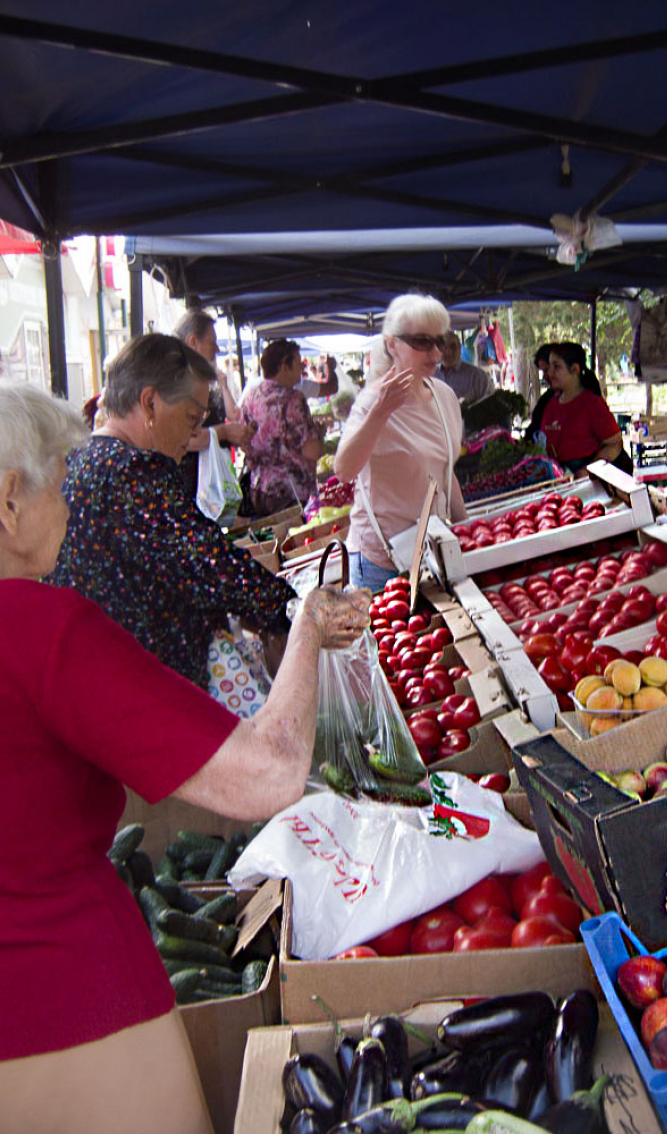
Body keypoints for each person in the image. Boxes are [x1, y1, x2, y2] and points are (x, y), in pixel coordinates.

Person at [0, 379, 370, 1134]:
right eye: (60, 488)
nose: (71, 510)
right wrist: (304, 628)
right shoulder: (40, 632)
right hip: (63, 989)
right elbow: (268, 776)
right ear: (9, 499)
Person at [51, 334, 298, 692]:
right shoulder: (133, 471)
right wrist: (291, 610)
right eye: (191, 418)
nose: (195, 434)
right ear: (150, 403)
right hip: (144, 688)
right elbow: (212, 566)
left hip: (101, 682)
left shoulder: (81, 458)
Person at [335, 293, 467, 592]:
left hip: (433, 550)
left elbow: (446, 472)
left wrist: (465, 530)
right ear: (392, 344)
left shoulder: (443, 396)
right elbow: (343, 470)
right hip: (382, 562)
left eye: (440, 342)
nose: (435, 354)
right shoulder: (373, 402)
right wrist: (381, 411)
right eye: (421, 342)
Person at [174, 310, 256, 497]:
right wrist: (225, 432)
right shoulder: (178, 384)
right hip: (193, 489)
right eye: (212, 343)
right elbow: (185, 440)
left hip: (210, 486)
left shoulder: (204, 379)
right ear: (193, 342)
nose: (217, 350)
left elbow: (226, 417)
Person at [241, 338, 325, 515]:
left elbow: (243, 441)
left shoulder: (250, 397)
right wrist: (319, 434)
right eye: (297, 363)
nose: (302, 369)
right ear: (284, 366)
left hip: (259, 489)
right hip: (291, 493)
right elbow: (312, 451)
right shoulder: (292, 399)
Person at [535, 341, 627, 475]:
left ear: (575, 369)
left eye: (557, 367)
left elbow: (614, 444)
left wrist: (587, 471)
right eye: (550, 367)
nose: (550, 372)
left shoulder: (592, 405)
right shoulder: (550, 406)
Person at [435, 332, 494, 402]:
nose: (449, 352)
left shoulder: (477, 377)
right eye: (444, 347)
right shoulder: (429, 376)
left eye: (453, 346)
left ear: (460, 348)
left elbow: (491, 404)